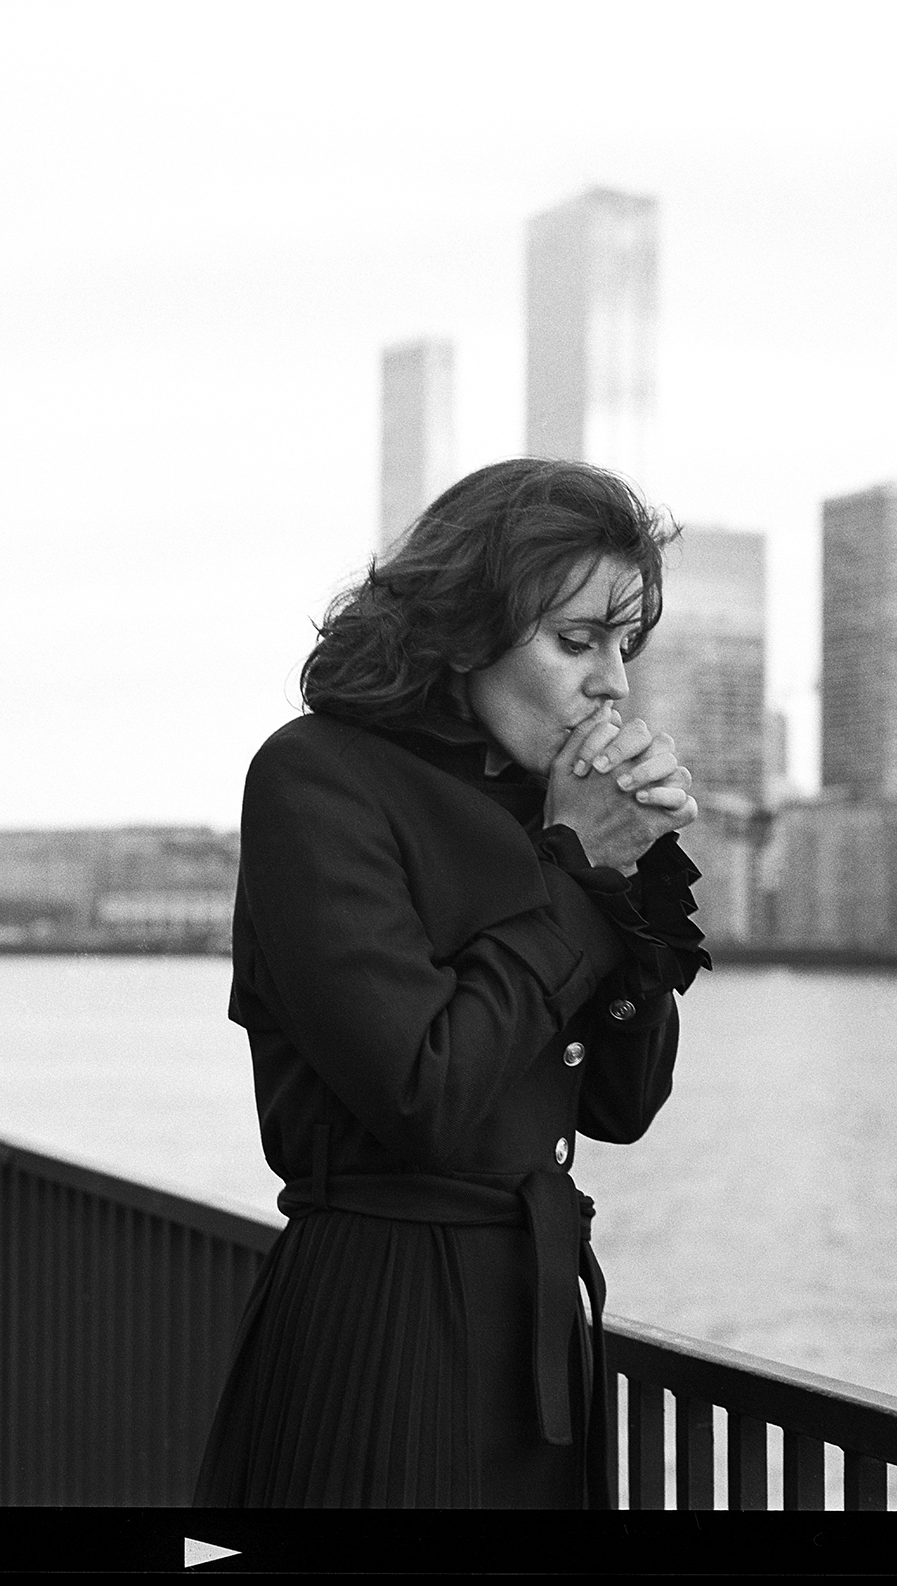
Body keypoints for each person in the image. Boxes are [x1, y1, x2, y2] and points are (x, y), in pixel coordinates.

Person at [191, 458, 711, 1510]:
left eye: (624, 645)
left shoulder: (544, 802)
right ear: (465, 630)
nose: (612, 680)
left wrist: (623, 869)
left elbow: (621, 1102)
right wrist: (571, 865)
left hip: (536, 1331)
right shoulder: (316, 779)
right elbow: (424, 1089)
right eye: (576, 641)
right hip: (379, 1316)